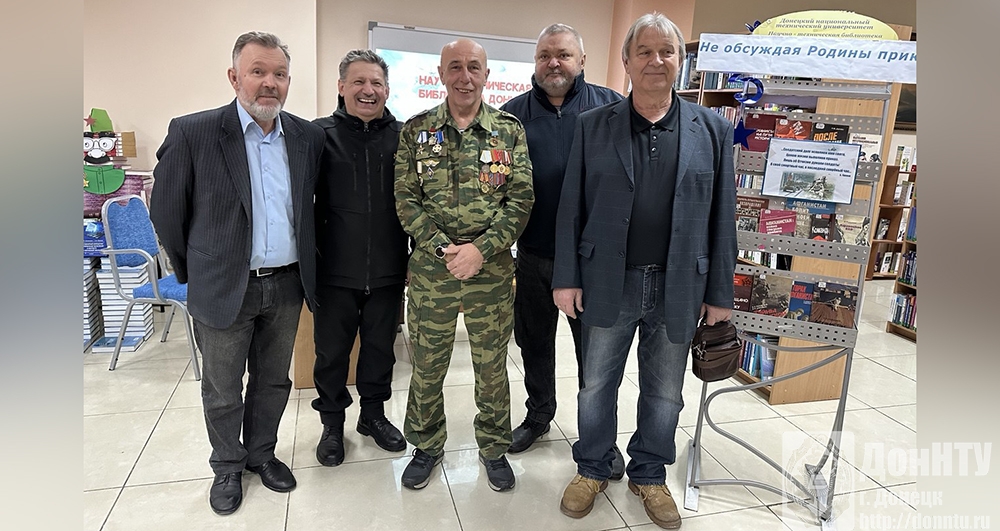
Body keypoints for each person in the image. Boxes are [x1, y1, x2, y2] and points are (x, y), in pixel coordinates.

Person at [552, 13, 737, 529]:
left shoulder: (713, 130)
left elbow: (722, 216)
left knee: (665, 392)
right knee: (595, 386)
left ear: (682, 60)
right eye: (645, 52)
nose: (656, 61)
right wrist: (566, 277)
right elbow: (571, 207)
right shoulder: (593, 125)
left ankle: (650, 474)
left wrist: (720, 293)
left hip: (681, 284)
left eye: (667, 51)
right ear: (627, 62)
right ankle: (592, 467)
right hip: (609, 280)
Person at [149, 31, 324, 516]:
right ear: (234, 77)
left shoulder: (307, 137)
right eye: (258, 72)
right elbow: (166, 212)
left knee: (273, 381)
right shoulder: (195, 132)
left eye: (280, 74)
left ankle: (262, 454)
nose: (270, 83)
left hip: (286, 284)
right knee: (223, 387)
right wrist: (197, 269)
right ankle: (227, 465)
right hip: (225, 285)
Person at [394, 38, 534, 492]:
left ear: (487, 75)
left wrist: (481, 250)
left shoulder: (508, 131)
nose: (465, 76)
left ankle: (493, 448)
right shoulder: (416, 130)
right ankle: (426, 445)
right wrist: (444, 250)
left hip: (490, 274)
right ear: (440, 74)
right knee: (427, 367)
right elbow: (405, 200)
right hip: (432, 275)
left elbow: (520, 202)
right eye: (455, 67)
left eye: (474, 67)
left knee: (491, 368)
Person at [499, 23, 625, 474]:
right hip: (533, 255)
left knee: (596, 358)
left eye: (564, 55)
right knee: (534, 344)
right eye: (545, 55)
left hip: (592, 262)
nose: (554, 63)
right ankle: (539, 415)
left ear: (582, 60)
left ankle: (598, 438)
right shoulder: (510, 117)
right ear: (535, 62)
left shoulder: (612, 109)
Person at [310, 50, 409, 466]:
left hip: (388, 270)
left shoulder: (405, 137)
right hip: (333, 272)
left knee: (380, 350)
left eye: (376, 83)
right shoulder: (318, 136)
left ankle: (373, 416)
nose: (368, 90)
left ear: (387, 90)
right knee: (331, 355)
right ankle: (333, 424)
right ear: (341, 87)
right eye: (358, 82)